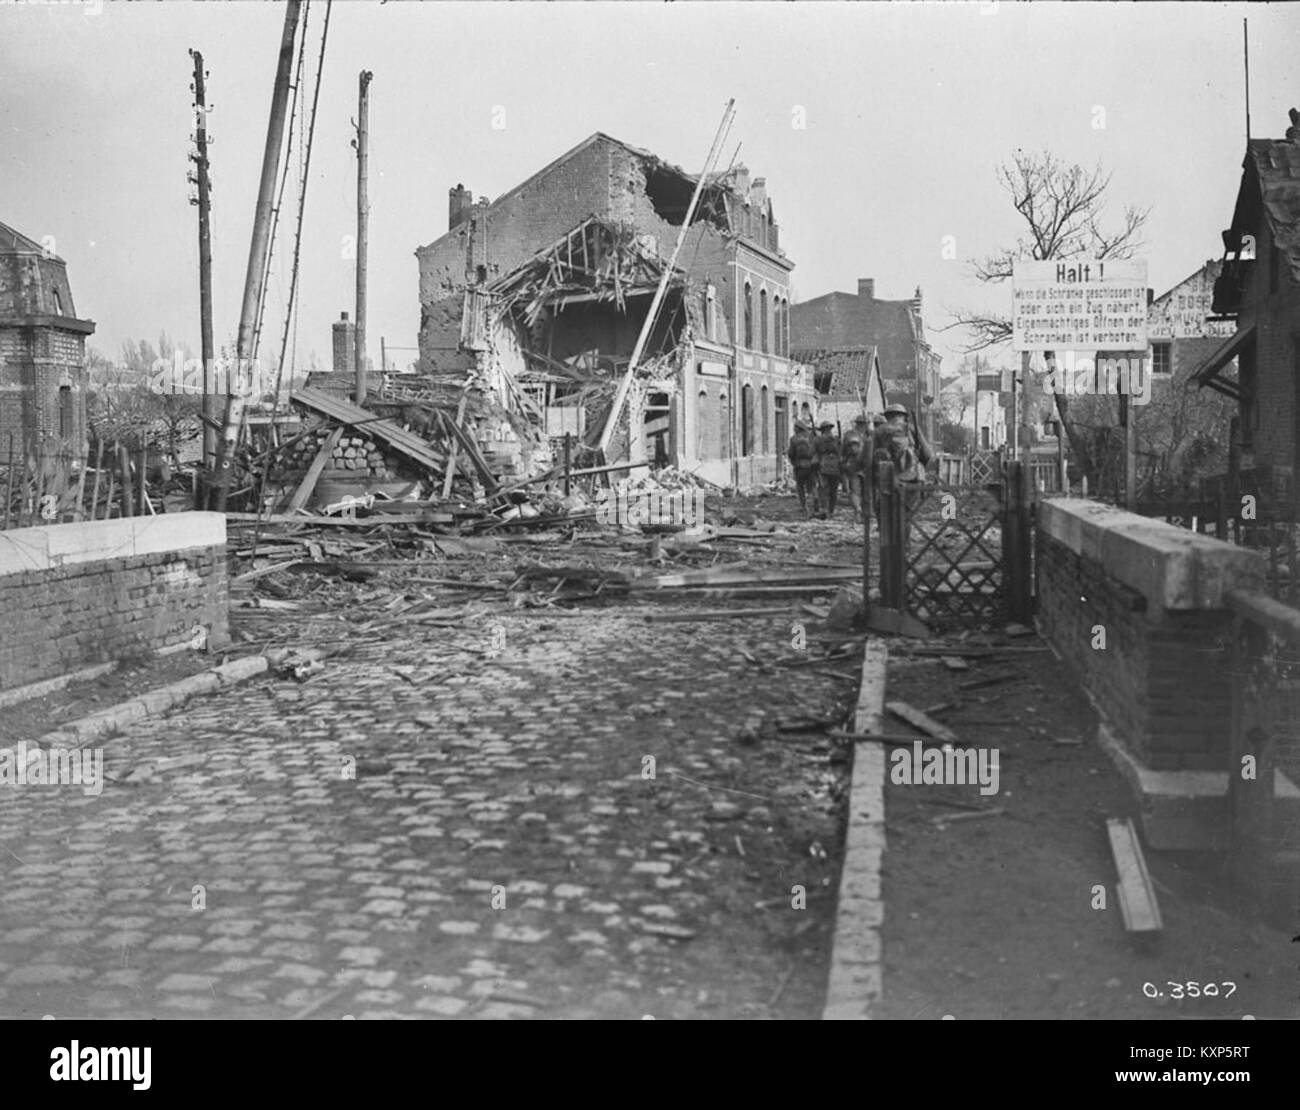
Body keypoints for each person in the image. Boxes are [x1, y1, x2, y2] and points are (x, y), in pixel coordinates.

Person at [841, 415, 870, 525]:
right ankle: (864, 513)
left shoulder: (849, 434)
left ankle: (857, 509)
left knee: (855, 490)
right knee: (867, 491)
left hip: (854, 465)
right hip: (867, 466)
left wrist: (844, 462)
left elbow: (843, 450)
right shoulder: (870, 435)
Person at [787, 420, 818, 518]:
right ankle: (815, 497)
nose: (793, 429)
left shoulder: (794, 439)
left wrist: (793, 462)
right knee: (812, 485)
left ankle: (804, 507)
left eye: (795, 427)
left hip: (799, 466)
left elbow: (791, 453)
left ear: (797, 428)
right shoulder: (811, 437)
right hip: (811, 465)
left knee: (800, 487)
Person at [813, 421, 842, 519]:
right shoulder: (836, 439)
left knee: (823, 488)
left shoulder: (818, 440)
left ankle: (824, 509)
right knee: (833, 491)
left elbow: (813, 452)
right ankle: (831, 511)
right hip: (836, 466)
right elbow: (840, 451)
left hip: (823, 466)